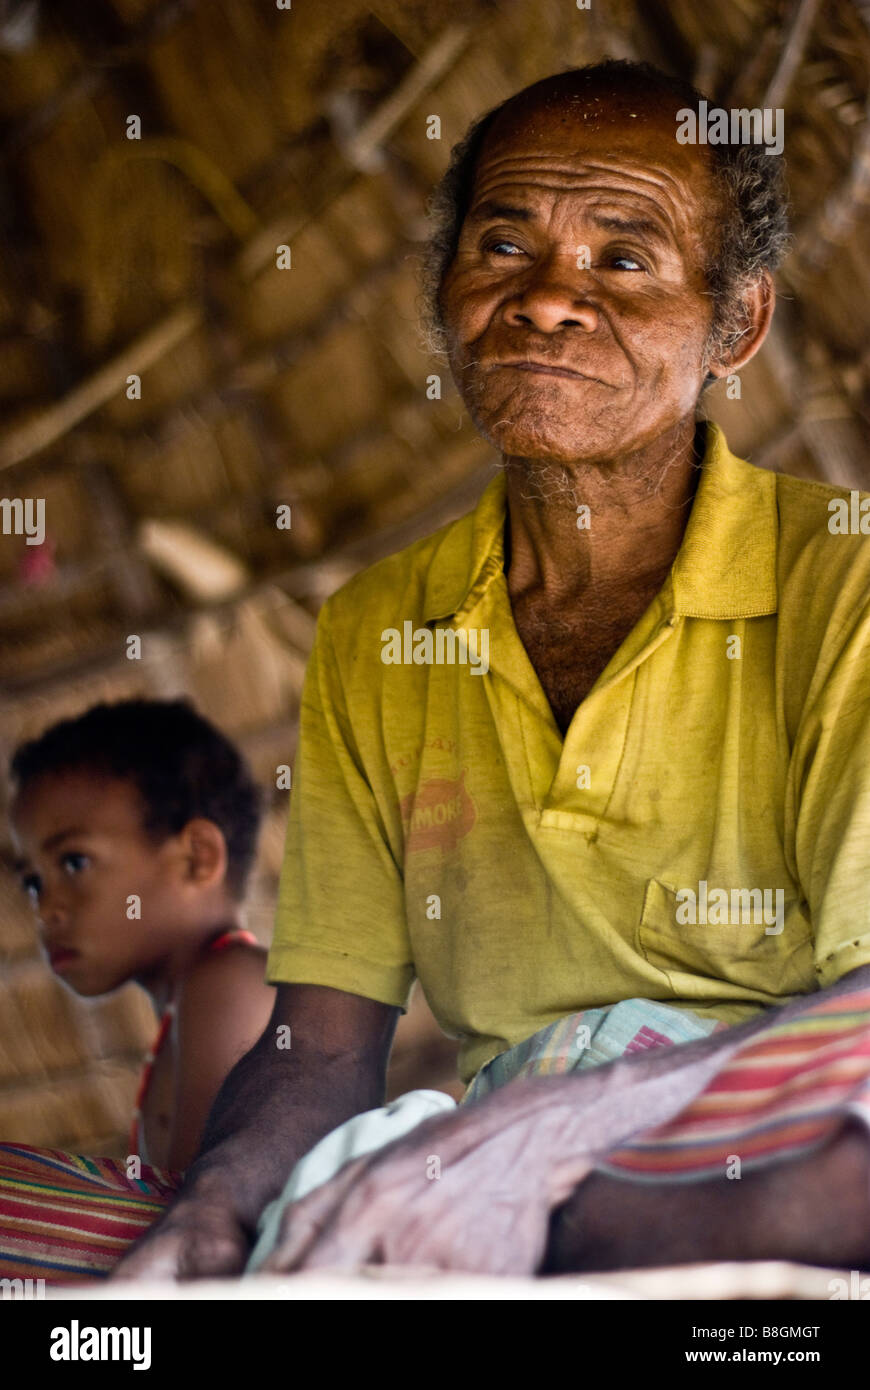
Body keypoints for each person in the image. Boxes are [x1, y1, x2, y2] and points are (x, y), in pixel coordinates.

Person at [114, 57, 870, 1281]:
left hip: (760, 1146)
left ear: (737, 324)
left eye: (624, 259)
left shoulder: (847, 587)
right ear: (446, 291)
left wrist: (553, 1135)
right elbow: (319, 1048)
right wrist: (206, 1213)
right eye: (504, 245)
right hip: (501, 1175)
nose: (548, 300)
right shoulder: (381, 627)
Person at [0, 698, 274, 1281]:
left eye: (73, 862)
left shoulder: (229, 983)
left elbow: (213, 1240)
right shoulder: (189, 1010)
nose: (45, 909)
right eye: (31, 882)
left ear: (197, 857)